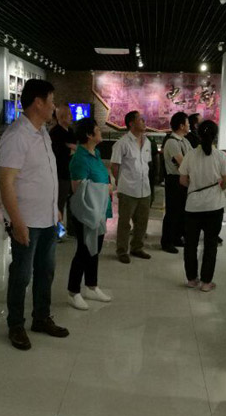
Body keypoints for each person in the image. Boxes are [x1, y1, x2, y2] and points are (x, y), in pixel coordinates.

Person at [0, 79, 69, 351]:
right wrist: (17, 222)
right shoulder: (17, 135)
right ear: (38, 103)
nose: (54, 107)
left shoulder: (42, 133)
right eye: (51, 101)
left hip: (47, 218)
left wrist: (55, 208)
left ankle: (41, 317)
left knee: (45, 272)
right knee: (21, 275)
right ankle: (15, 324)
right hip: (26, 220)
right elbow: (6, 183)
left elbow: (43, 175)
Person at [178, 121, 226, 291]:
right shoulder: (221, 156)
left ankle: (191, 279)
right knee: (210, 245)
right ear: (215, 135)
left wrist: (195, 187)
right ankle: (206, 283)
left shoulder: (190, 155)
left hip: (193, 207)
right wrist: (217, 188)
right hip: (214, 207)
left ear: (199, 135)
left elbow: (183, 180)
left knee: (190, 245)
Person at [66, 117, 113, 310]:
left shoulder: (96, 153)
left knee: (95, 249)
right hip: (87, 211)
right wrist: (105, 188)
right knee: (84, 251)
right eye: (97, 130)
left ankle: (91, 286)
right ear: (89, 135)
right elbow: (78, 189)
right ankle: (73, 291)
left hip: (100, 209)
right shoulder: (79, 159)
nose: (100, 132)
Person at [110, 111, 152, 264]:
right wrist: (120, 183)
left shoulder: (147, 142)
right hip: (128, 189)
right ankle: (122, 250)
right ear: (131, 123)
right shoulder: (122, 143)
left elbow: (146, 164)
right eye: (140, 119)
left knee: (142, 222)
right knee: (124, 223)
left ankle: (137, 247)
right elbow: (115, 166)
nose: (144, 121)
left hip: (144, 189)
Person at [161, 112, 192, 253]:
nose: (189, 125)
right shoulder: (172, 142)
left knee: (181, 211)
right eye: (187, 123)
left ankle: (177, 237)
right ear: (181, 126)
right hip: (174, 180)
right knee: (172, 212)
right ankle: (167, 241)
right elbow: (182, 162)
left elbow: (192, 158)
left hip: (184, 179)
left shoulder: (185, 141)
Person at [50, 103, 77, 235]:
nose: (71, 117)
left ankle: (72, 229)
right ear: (61, 117)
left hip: (71, 172)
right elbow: (58, 152)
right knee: (60, 202)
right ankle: (57, 232)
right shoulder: (55, 132)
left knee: (73, 201)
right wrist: (69, 148)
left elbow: (75, 148)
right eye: (69, 115)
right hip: (61, 173)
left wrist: (70, 147)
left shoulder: (70, 131)